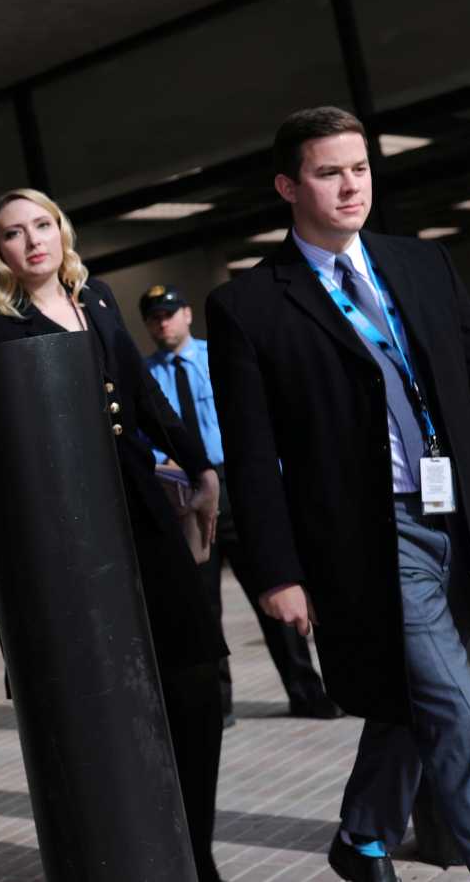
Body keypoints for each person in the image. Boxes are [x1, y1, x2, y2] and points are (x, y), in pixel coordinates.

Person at [207, 106, 470, 882]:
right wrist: (277, 571)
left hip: (460, 519)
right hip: (370, 533)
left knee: (416, 698)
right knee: (454, 706)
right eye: (327, 171)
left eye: (358, 168)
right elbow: (252, 454)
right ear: (288, 185)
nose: (350, 185)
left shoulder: (422, 264)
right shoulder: (247, 305)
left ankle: (362, 833)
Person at [0, 187, 227, 882]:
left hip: (138, 504)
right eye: (12, 233)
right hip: (67, 529)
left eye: (41, 225)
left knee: (195, 677)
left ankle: (193, 848)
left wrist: (199, 466)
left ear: (60, 229)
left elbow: (143, 396)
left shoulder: (98, 298)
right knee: (105, 687)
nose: (31, 241)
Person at [140, 284, 340, 727]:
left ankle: (306, 692)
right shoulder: (145, 377)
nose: (163, 322)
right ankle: (217, 704)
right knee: (203, 607)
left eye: (170, 313)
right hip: (187, 494)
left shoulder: (220, 356)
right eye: (154, 317)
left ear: (188, 315)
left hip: (239, 487)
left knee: (274, 589)